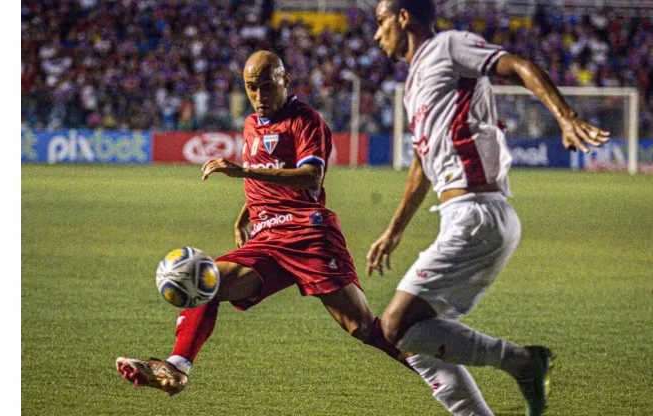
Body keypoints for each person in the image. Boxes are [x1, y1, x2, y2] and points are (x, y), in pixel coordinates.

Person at [116, 50, 408, 395]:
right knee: (205, 281)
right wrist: (246, 213)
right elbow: (264, 178)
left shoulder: (305, 120)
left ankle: (441, 367)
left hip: (308, 234)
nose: (259, 96)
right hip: (268, 238)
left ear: (286, 80)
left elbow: (311, 176)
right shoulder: (252, 123)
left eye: (267, 86)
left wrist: (242, 171)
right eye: (251, 88)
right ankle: (176, 367)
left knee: (360, 327)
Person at [367, 1, 610, 415]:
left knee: (394, 325)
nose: (376, 34)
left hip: (478, 213)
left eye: (381, 22)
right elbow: (422, 164)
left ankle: (523, 362)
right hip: (460, 218)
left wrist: (565, 117)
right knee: (417, 341)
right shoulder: (413, 85)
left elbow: (515, 64)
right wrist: (395, 229)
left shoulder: (447, 46)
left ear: (403, 17)